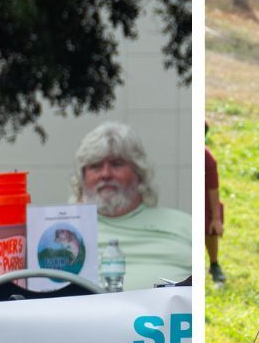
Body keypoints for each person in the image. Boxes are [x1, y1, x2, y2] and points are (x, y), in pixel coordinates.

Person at [70, 122, 191, 290]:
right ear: (82, 178)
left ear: (139, 173)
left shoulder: (186, 226)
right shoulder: (59, 229)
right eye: (95, 166)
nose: (105, 174)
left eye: (117, 164)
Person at [204, 123, 226, 286]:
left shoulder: (207, 158)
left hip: (205, 201)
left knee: (210, 228)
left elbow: (213, 189)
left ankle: (214, 264)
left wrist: (216, 218)